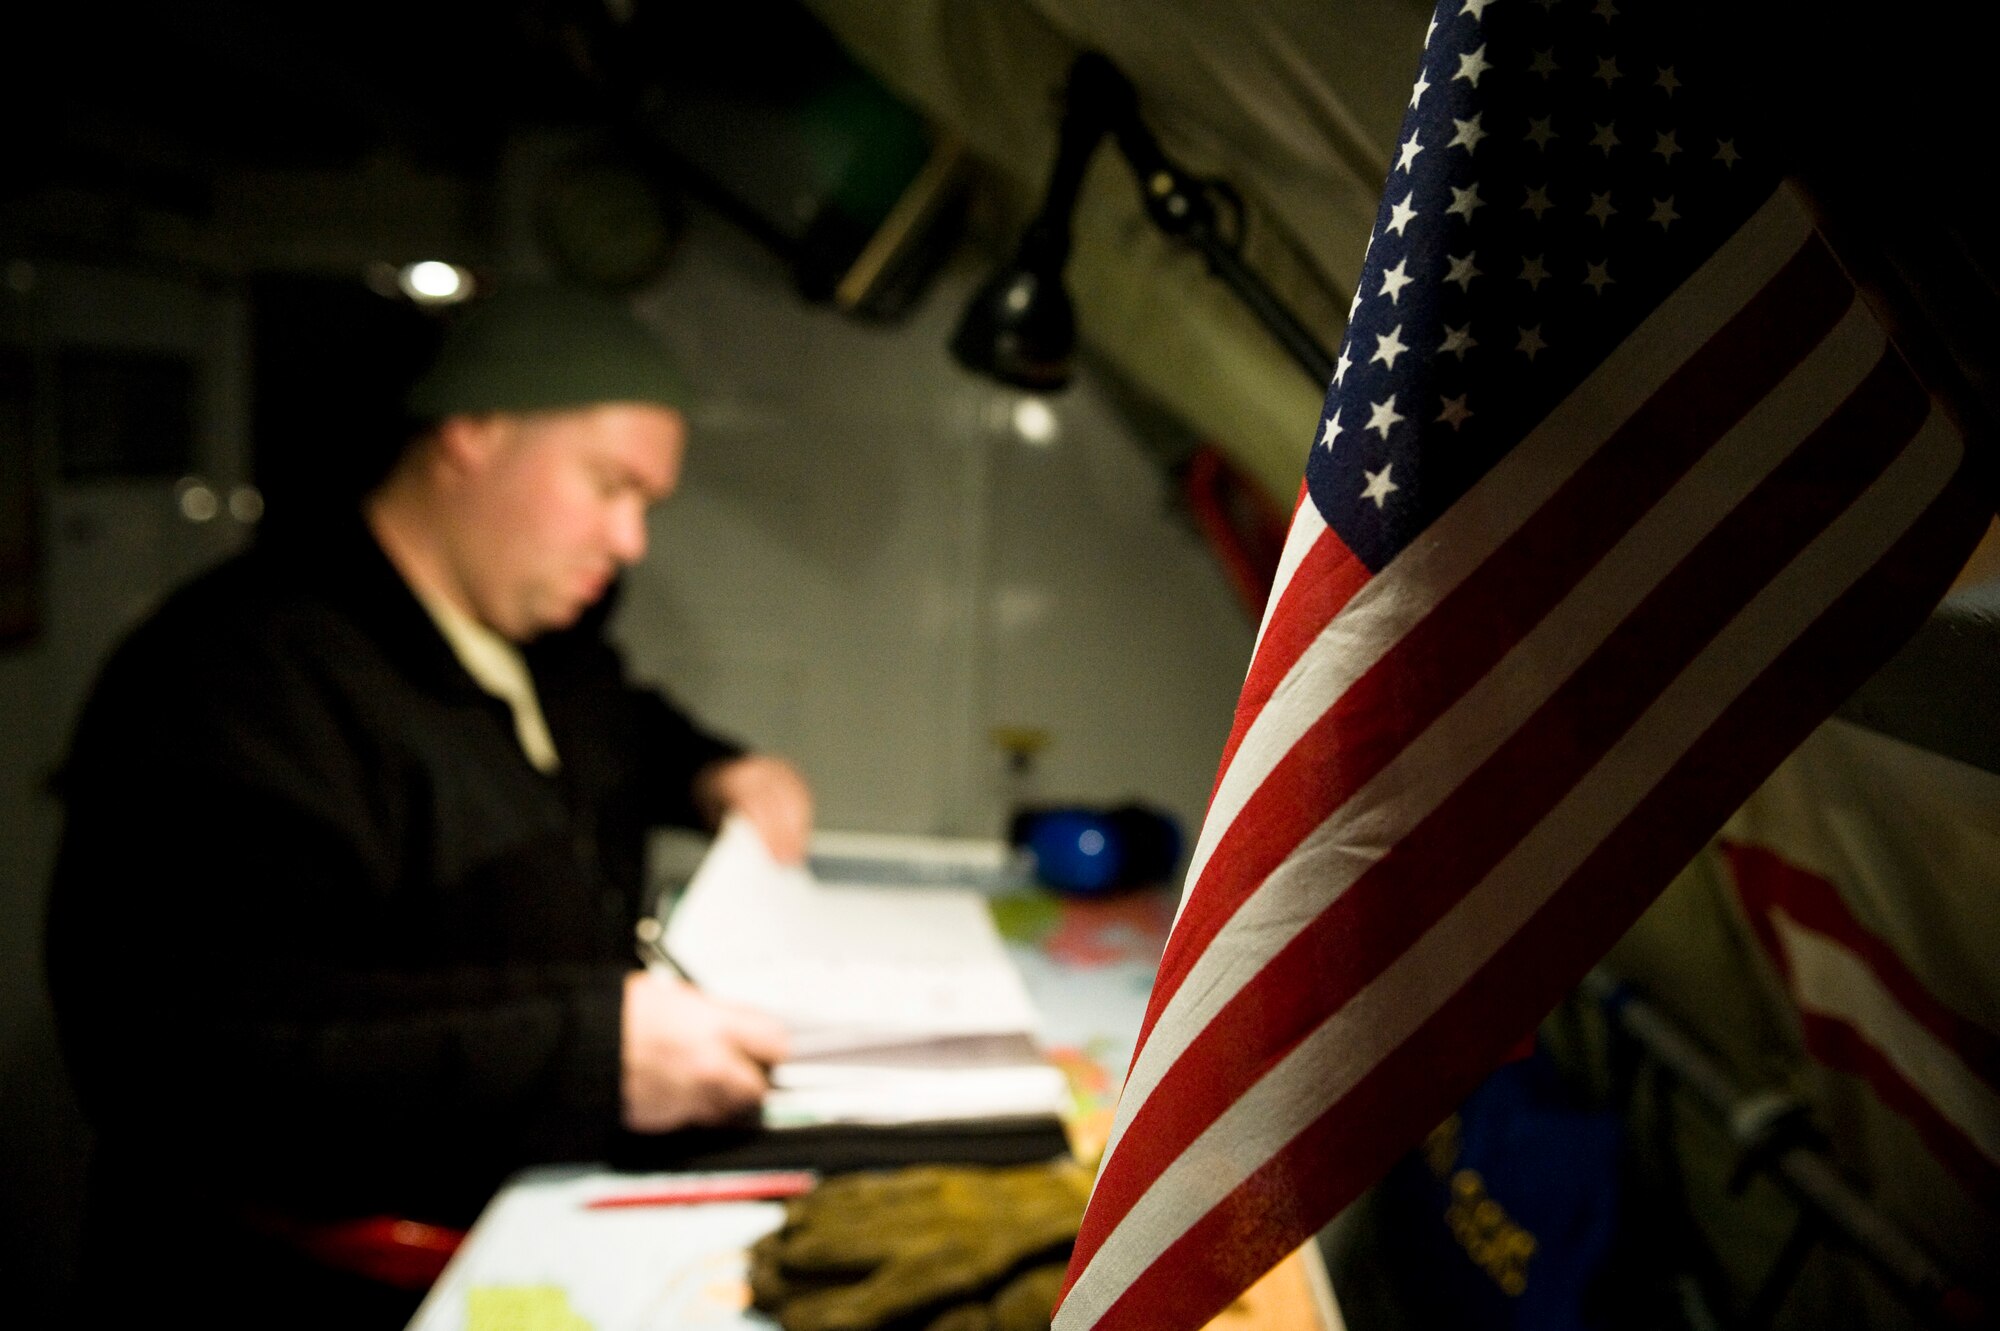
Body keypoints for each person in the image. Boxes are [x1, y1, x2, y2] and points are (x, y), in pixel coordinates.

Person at [42, 283, 812, 1325]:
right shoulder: (235, 676)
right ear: (473, 435)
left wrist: (721, 767)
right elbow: (188, 1058)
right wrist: (592, 1054)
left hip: (530, 1222)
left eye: (648, 506)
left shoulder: (544, 637)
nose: (630, 540)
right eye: (607, 485)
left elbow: (626, 722)